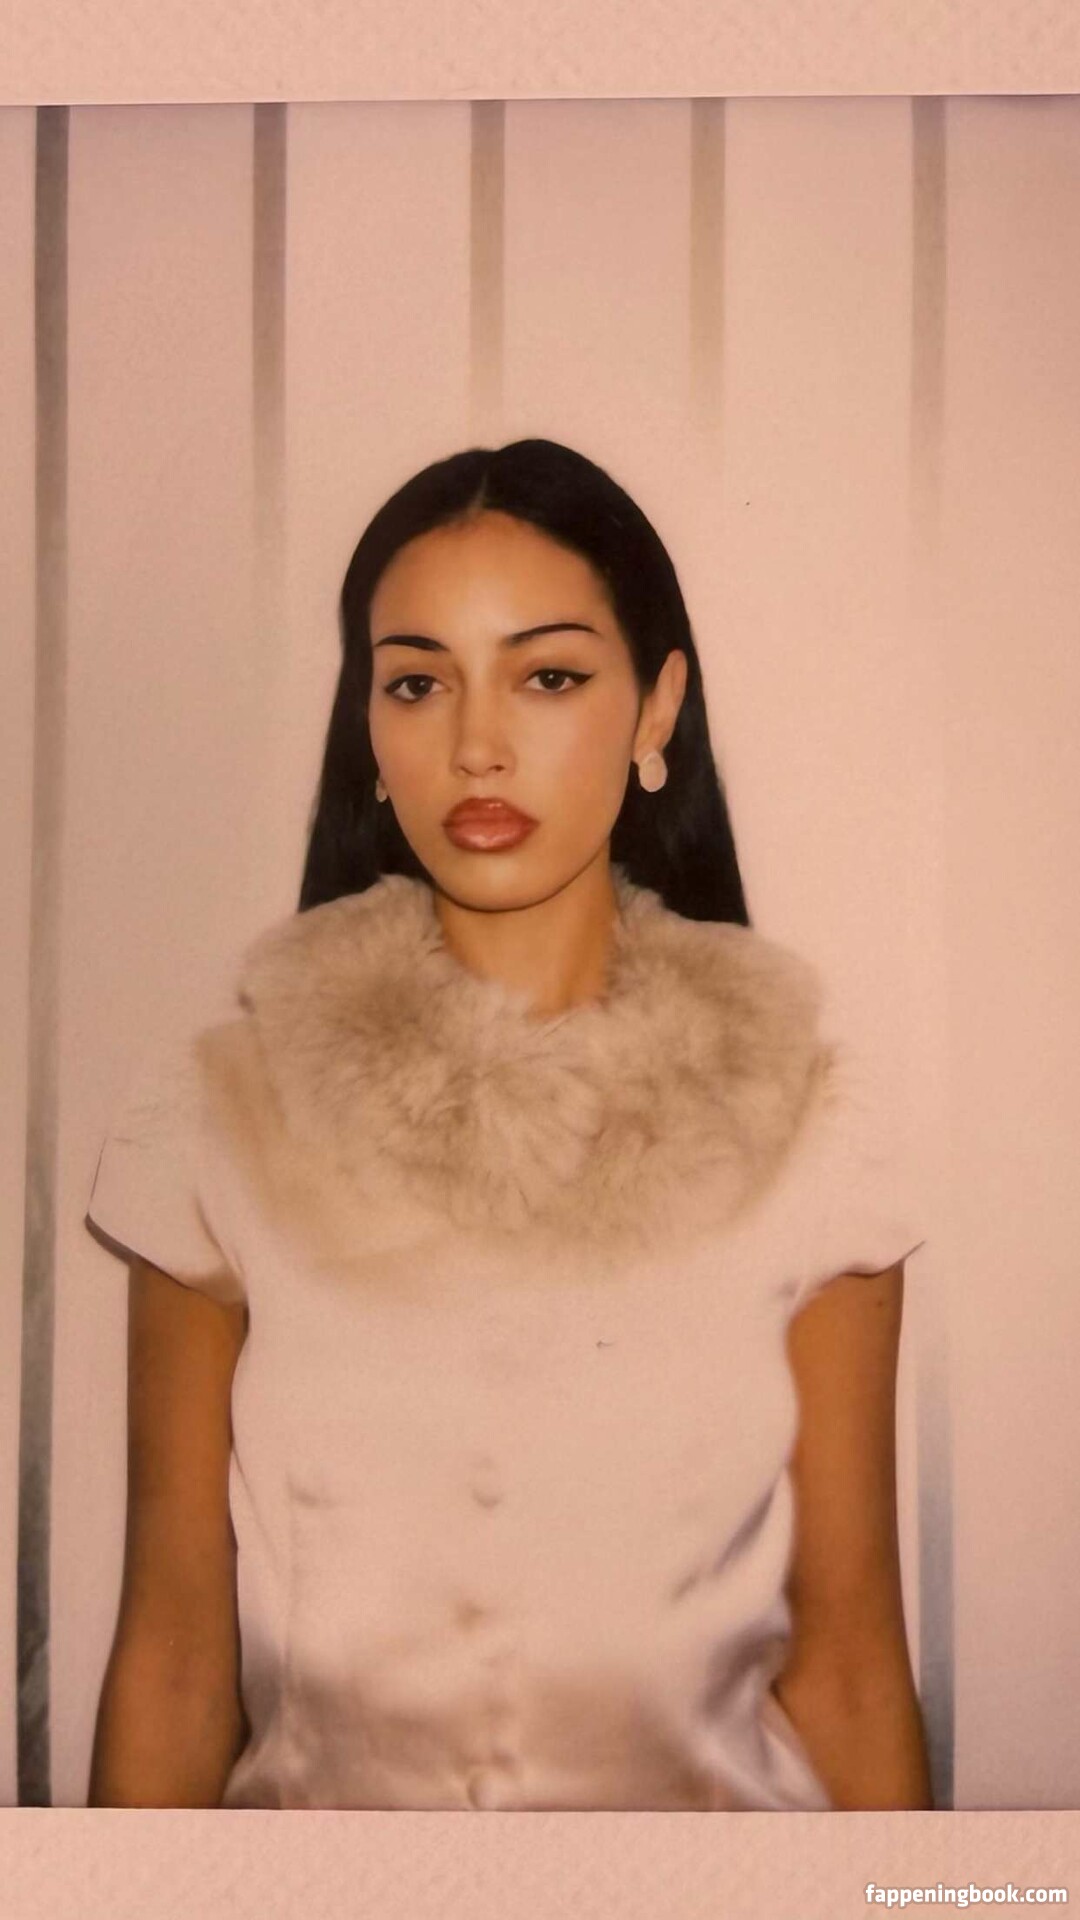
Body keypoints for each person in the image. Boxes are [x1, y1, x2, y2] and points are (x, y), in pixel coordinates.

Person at [83, 437, 932, 1812]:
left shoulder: (809, 1122)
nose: (477, 744)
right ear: (369, 729)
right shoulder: (217, 1116)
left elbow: (849, 1674)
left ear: (658, 709)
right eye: (419, 682)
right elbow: (175, 1664)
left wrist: (935, 1904)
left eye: (549, 677)